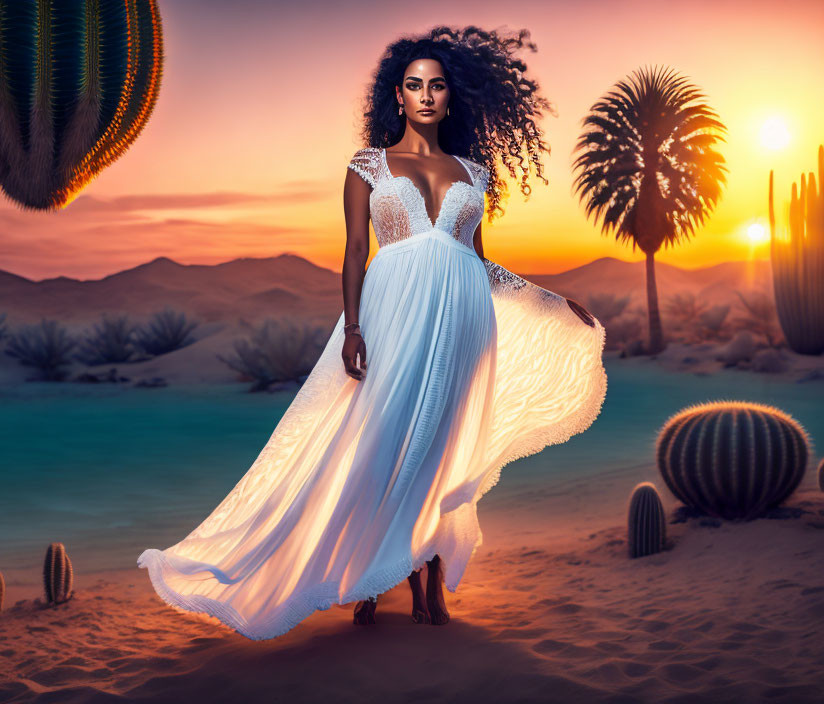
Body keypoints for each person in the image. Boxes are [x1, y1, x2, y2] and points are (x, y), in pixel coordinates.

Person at [138, 25, 607, 642]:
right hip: (393, 316)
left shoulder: (475, 170)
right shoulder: (367, 166)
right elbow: (356, 250)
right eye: (415, 86)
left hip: (465, 323)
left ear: (450, 96)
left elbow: (478, 259)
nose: (427, 96)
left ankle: (426, 581)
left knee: (439, 449)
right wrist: (353, 326)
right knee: (381, 445)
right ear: (398, 94)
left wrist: (547, 299)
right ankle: (367, 574)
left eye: (437, 86)